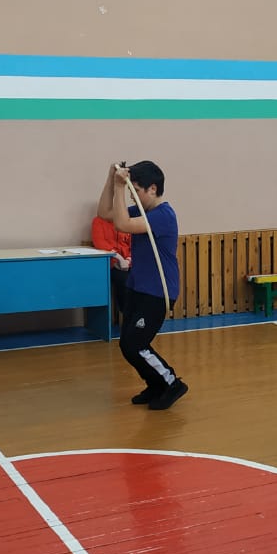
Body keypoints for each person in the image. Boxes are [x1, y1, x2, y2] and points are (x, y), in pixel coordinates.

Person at [97, 160, 187, 410]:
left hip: (157, 292)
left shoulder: (163, 216)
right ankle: (155, 384)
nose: (132, 196)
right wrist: (111, 179)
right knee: (128, 345)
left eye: (135, 190)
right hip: (138, 288)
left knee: (134, 344)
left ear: (153, 189)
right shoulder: (141, 212)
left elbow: (122, 224)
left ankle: (171, 383)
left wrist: (120, 186)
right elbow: (104, 213)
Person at [91, 211, 133, 318]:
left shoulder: (126, 222)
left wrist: (128, 260)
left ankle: (141, 314)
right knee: (124, 280)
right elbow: (100, 243)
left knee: (142, 277)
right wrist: (118, 258)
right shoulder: (98, 222)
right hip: (110, 263)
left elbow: (133, 245)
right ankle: (127, 314)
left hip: (128, 262)